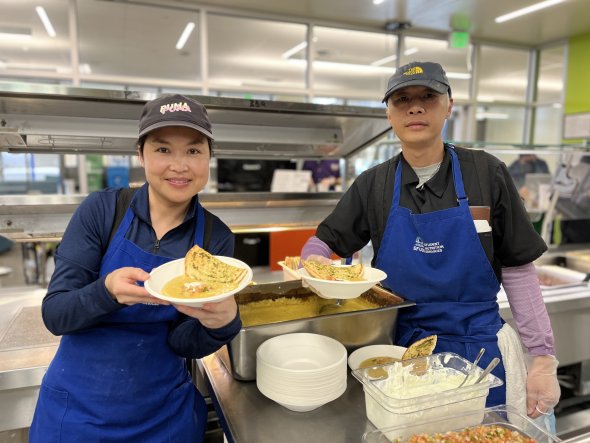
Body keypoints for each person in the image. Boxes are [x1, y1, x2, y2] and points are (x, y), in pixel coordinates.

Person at [301, 62, 560, 429]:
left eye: (428, 97)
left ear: (449, 105)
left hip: (481, 353)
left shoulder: (486, 172)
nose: (415, 107)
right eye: (402, 99)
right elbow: (325, 243)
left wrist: (543, 359)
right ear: (389, 113)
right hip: (400, 353)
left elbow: (518, 268)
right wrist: (310, 264)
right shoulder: (373, 183)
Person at [30, 94, 241, 442]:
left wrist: (220, 325)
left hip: (162, 415)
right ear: (140, 155)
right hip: (77, 413)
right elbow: (56, 315)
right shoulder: (102, 211)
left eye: (193, 150)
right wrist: (107, 292)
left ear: (208, 158)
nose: (179, 165)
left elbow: (182, 342)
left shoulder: (214, 238)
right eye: (162, 150)